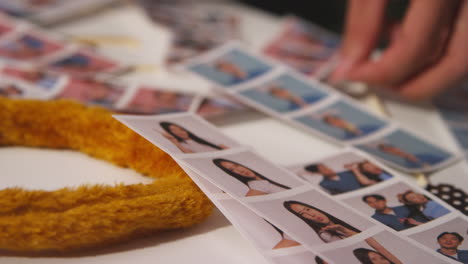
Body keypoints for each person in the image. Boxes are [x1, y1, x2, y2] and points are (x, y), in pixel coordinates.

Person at [283, 200, 360, 243]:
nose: (311, 215)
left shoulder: (343, 216)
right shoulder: (325, 234)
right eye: (303, 214)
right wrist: (344, 230)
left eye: (308, 209)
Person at [212, 158, 290, 196]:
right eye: (232, 170)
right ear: (232, 174)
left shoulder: (265, 179)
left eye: (236, 166)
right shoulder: (258, 185)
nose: (240, 170)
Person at [362, 194, 428, 231]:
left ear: (384, 200)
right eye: (370, 203)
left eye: (377, 201)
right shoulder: (374, 219)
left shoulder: (404, 208)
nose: (375, 204)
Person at [303, 163, 377, 195]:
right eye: (323, 169)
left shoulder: (346, 173)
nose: (328, 169)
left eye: (326, 167)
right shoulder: (324, 184)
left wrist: (355, 170)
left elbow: (366, 182)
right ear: (318, 173)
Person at [159, 122, 228, 153]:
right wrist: (175, 142)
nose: (180, 132)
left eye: (180, 129)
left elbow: (223, 146)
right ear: (171, 133)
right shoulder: (183, 145)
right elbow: (189, 154)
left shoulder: (202, 138)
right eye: (174, 131)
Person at [376, 143, 445, 169]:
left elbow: (442, 160)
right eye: (389, 152)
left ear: (396, 148)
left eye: (391, 149)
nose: (393, 152)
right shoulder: (407, 165)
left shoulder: (424, 155)